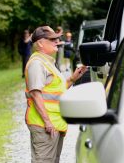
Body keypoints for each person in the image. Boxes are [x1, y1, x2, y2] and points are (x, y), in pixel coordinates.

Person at [24, 25, 87, 163]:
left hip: (54, 124)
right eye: (52, 40)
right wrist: (47, 122)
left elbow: (55, 90)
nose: (56, 42)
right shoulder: (37, 64)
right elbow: (36, 95)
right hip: (44, 125)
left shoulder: (47, 62)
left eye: (57, 39)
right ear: (40, 43)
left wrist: (72, 79)